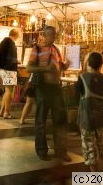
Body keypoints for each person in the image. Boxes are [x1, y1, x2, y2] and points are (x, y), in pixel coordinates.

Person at [27, 25, 71, 162]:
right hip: (43, 88)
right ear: (44, 35)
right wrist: (46, 68)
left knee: (60, 119)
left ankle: (61, 151)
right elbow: (29, 67)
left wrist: (65, 65)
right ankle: (41, 150)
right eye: (51, 35)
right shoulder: (37, 49)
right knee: (41, 120)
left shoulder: (56, 49)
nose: (53, 37)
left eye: (54, 35)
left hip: (56, 88)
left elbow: (59, 66)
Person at [76, 51, 103, 172]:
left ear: (88, 63)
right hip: (102, 119)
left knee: (90, 153)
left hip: (87, 120)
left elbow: (78, 92)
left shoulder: (82, 77)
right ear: (101, 64)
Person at [0, 28, 21, 119]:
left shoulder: (3, 42)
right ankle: (6, 112)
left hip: (2, 69)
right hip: (9, 69)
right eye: (18, 36)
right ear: (14, 35)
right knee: (9, 91)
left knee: (7, 90)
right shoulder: (11, 43)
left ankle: (1, 111)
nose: (18, 38)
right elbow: (10, 58)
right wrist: (17, 61)